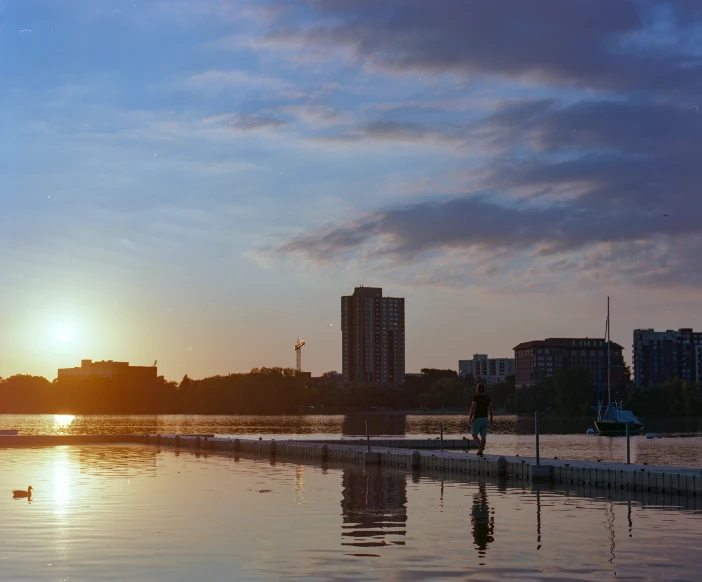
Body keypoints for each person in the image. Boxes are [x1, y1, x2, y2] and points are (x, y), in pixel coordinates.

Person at [468, 383, 493, 456]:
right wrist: (491, 418)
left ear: (477, 390)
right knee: (483, 436)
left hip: (477, 419)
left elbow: (472, 408)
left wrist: (470, 419)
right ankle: (480, 451)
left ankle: (480, 446)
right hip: (485, 419)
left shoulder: (475, 398)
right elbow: (491, 409)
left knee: (474, 435)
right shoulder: (487, 398)